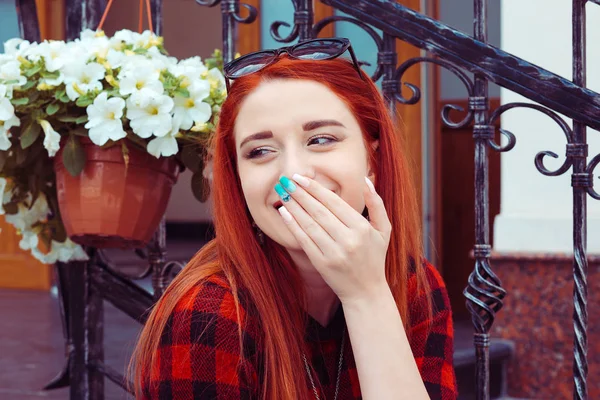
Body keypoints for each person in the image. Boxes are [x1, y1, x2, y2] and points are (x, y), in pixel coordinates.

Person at [130, 38, 458, 400]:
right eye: (260, 151)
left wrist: (367, 296)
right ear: (237, 180)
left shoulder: (416, 286)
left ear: (372, 160)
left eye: (320, 139)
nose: (295, 175)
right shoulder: (210, 314)